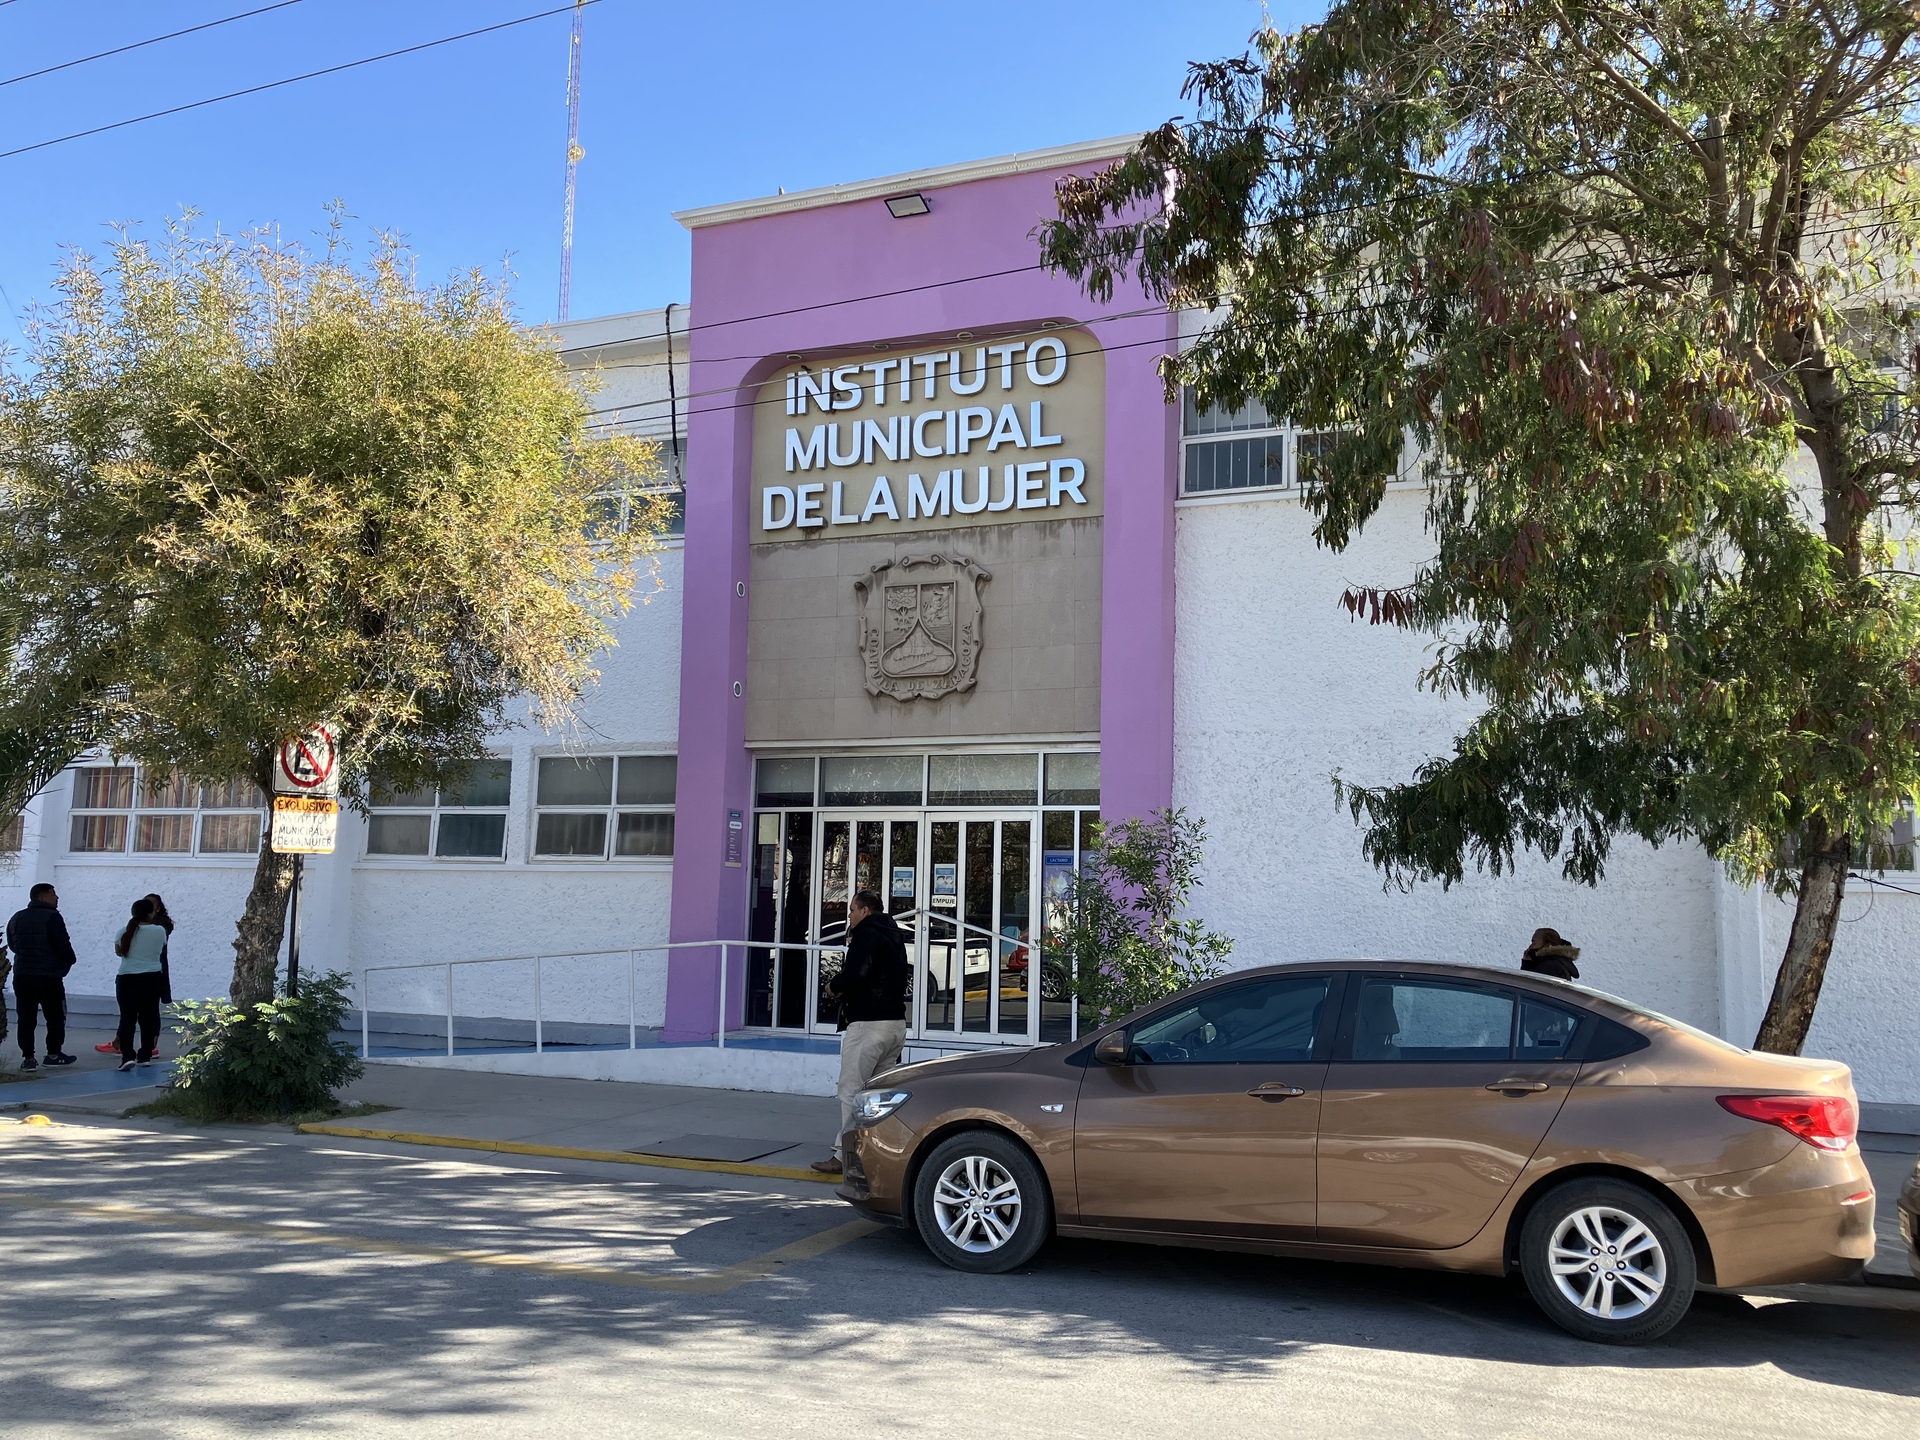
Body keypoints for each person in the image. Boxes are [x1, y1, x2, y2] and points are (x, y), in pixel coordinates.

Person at [813, 889, 910, 1176]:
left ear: (865, 910)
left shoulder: (865, 936)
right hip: (895, 1025)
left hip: (868, 1026)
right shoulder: (894, 936)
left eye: (852, 910)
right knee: (879, 1095)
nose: (850, 916)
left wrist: (834, 986)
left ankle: (845, 1156)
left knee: (851, 1091)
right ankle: (882, 1153)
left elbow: (857, 973)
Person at [7, 882, 79, 1070]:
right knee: (55, 1017)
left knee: (26, 1018)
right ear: (42, 896)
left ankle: (28, 1058)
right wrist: (67, 964)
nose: (57, 897)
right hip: (49, 977)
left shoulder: (17, 917)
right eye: (53, 894)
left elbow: (13, 945)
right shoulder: (52, 917)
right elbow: (63, 945)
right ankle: (53, 1054)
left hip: (23, 976)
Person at [99, 892, 171, 1059]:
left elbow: (119, 953)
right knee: (148, 1018)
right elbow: (160, 948)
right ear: (151, 913)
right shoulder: (160, 931)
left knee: (127, 1019)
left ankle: (127, 1056)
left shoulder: (124, 931)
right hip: (152, 979)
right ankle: (145, 1055)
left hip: (127, 979)